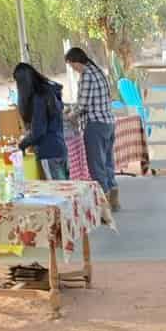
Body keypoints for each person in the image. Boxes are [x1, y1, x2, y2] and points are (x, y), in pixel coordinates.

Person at [65, 47, 118, 210]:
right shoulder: (98, 71)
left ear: (76, 62)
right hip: (108, 123)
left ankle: (103, 207)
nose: (74, 70)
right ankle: (114, 199)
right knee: (108, 163)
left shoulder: (87, 75)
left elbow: (83, 105)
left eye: (73, 66)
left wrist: (68, 115)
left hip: (96, 125)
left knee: (96, 167)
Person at [12, 62, 68, 179]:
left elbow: (38, 131)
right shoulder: (50, 92)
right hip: (59, 148)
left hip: (49, 151)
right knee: (65, 187)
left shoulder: (39, 99)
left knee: (58, 191)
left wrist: (22, 144)